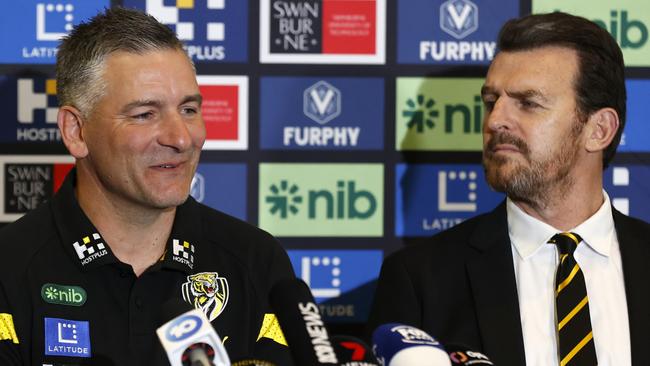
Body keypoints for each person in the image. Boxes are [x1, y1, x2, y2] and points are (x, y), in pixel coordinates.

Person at [0, 7, 295, 365]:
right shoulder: (10, 268)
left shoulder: (256, 261)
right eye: (145, 114)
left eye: (188, 109)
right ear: (76, 132)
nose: (181, 138)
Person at [368, 12, 650, 366]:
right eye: (490, 102)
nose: (496, 120)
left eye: (528, 103)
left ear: (599, 130)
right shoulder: (420, 280)